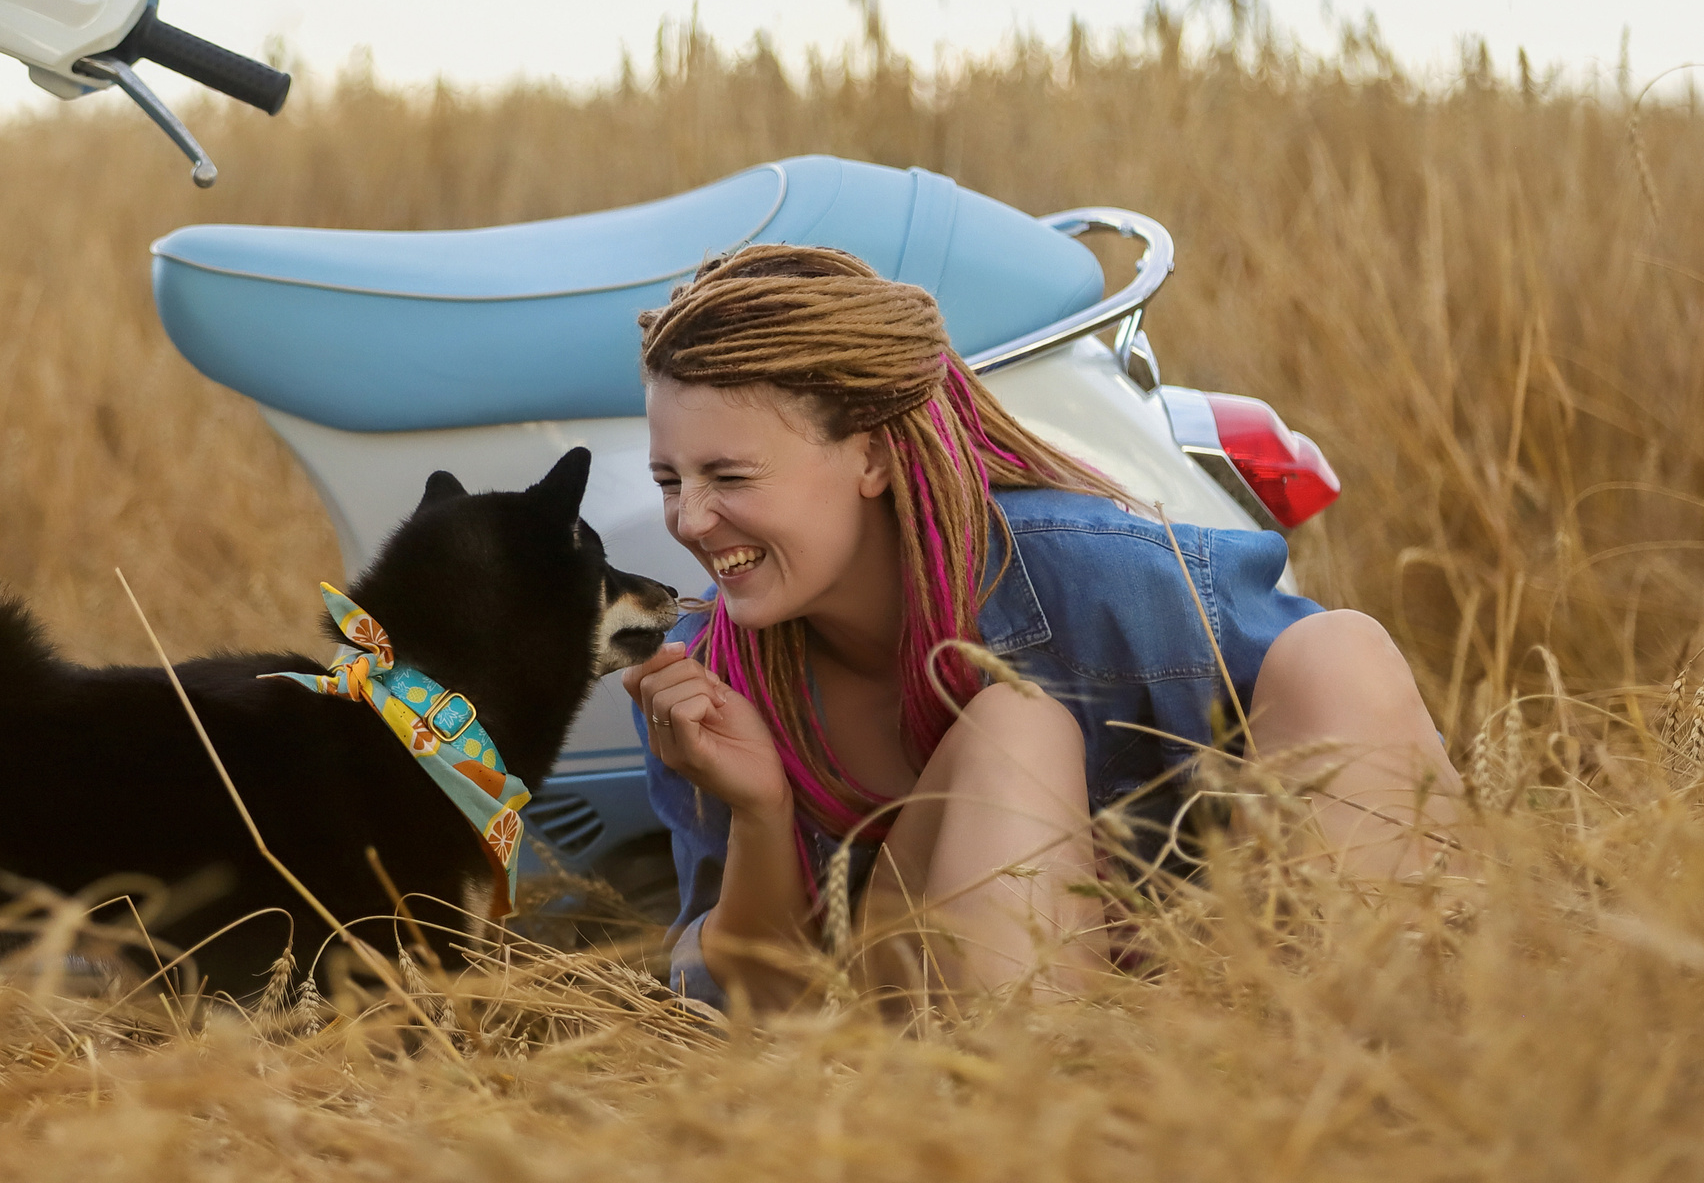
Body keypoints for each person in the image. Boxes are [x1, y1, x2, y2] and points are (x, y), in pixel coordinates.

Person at [623, 245, 1466, 1010]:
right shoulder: (703, 683)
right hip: (938, 1048)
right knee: (1014, 727)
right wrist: (762, 810)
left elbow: (1359, 756)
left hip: (1219, 1003)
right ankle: (1045, 1099)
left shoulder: (1105, 580)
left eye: (729, 476)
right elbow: (764, 1003)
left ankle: (1378, 1058)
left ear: (872, 456)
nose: (690, 520)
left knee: (1336, 652)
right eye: (669, 481)